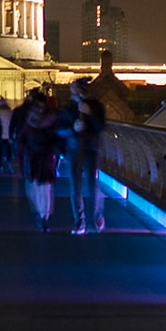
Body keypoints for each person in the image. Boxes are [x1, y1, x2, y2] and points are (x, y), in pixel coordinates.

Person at [66, 77, 106, 234]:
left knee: (92, 184)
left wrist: (89, 114)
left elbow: (100, 126)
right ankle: (80, 222)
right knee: (75, 187)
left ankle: (96, 216)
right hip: (74, 148)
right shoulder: (69, 108)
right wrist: (72, 129)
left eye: (74, 88)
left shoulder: (95, 106)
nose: (72, 91)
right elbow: (60, 128)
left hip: (90, 148)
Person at [21, 88, 62, 230]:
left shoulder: (30, 120)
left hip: (41, 157)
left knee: (43, 187)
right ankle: (43, 214)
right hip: (40, 156)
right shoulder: (52, 119)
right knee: (42, 187)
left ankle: (43, 215)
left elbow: (22, 139)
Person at [0, 98, 14, 175]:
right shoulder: (10, 112)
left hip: (0, 135)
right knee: (9, 151)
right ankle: (9, 165)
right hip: (9, 135)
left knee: (0, 152)